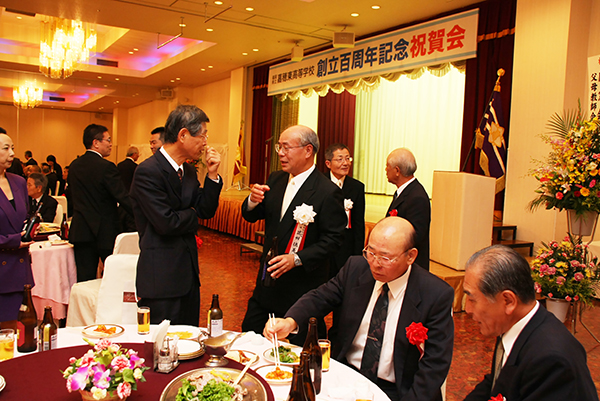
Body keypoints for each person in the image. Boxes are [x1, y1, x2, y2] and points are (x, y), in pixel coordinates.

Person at [265, 217, 454, 401]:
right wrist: (290, 321)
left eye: (386, 258)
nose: (375, 263)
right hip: (345, 376)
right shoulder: (356, 268)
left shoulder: (435, 294)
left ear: (410, 256)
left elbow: (435, 365)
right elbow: (321, 297)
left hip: (396, 391)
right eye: (370, 252)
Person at [241, 125, 347, 343]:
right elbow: (252, 215)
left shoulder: (327, 192)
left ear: (308, 150)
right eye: (279, 147)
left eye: (286, 148)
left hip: (300, 289)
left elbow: (333, 240)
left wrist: (297, 258)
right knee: (250, 339)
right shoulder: (276, 179)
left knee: (297, 350)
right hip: (266, 284)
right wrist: (252, 200)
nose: (280, 153)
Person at [463, 245, 599, 401]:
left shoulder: (551, 361)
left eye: (472, 299)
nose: (467, 309)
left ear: (508, 301)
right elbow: (496, 383)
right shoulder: (516, 326)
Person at [131, 105, 223, 325]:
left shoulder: (188, 170)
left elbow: (205, 211)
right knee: (162, 341)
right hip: (161, 279)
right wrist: (191, 213)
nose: (205, 142)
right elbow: (166, 223)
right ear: (183, 135)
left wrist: (212, 175)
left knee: (189, 337)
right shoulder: (148, 171)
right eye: (202, 136)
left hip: (188, 276)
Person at [68, 124, 133, 282]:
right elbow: (122, 196)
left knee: (84, 280)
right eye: (108, 140)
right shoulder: (106, 167)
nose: (110, 144)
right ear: (96, 143)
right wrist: (143, 212)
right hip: (104, 231)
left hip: (81, 230)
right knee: (114, 278)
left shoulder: (74, 166)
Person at [0, 133, 34, 326]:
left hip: (20, 268)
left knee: (19, 329)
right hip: (2, 263)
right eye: (6, 148)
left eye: (12, 148)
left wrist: (30, 229)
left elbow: (23, 217)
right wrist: (12, 240)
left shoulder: (19, 182)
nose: (12, 153)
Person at [324, 143, 365, 278]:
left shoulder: (357, 187)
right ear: (328, 163)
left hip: (346, 249)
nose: (345, 163)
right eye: (340, 159)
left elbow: (359, 224)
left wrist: (357, 256)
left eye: (348, 158)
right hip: (323, 248)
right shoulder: (320, 183)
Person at [385, 148, 430, 271]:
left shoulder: (417, 197)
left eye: (387, 166)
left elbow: (415, 236)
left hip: (410, 266)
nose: (386, 170)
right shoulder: (405, 192)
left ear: (397, 170)